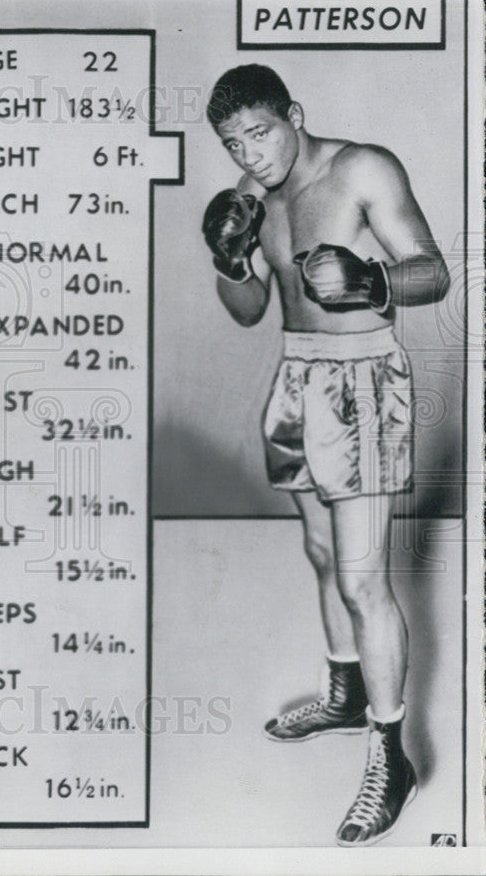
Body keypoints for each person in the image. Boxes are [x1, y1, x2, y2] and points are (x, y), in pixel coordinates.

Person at [202, 64, 449, 846]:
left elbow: (434, 272)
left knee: (362, 577)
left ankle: (390, 754)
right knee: (318, 550)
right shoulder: (254, 199)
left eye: (262, 133)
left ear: (294, 115)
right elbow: (249, 313)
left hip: (363, 380)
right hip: (295, 377)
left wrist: (373, 278)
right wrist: (230, 258)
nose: (253, 153)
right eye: (234, 142)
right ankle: (344, 693)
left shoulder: (362, 168)